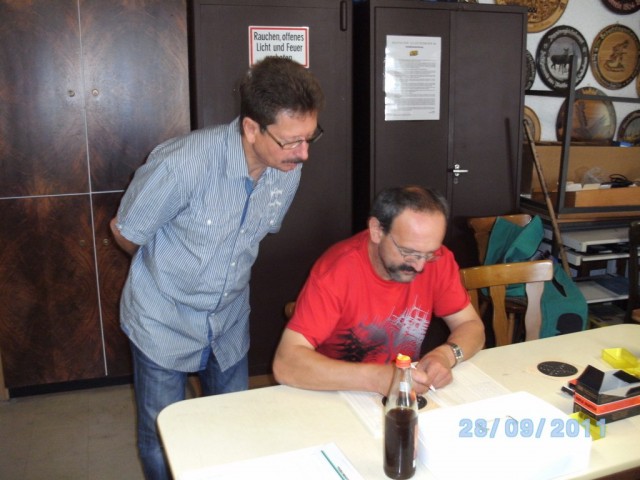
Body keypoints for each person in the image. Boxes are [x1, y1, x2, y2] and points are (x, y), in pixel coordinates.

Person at [110, 56, 325, 480]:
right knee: (162, 436)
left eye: (309, 138)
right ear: (251, 128)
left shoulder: (286, 170)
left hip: (228, 321)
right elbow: (126, 231)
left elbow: (253, 235)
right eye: (291, 141)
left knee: (232, 427)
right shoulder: (181, 164)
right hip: (163, 319)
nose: (303, 154)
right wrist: (169, 271)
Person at [273, 185, 485, 396]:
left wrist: (445, 355)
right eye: (408, 252)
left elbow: (471, 325)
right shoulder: (338, 271)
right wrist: (377, 378)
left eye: (429, 253)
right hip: (337, 391)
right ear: (376, 231)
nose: (420, 266)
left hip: (401, 388)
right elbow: (285, 364)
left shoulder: (438, 261)